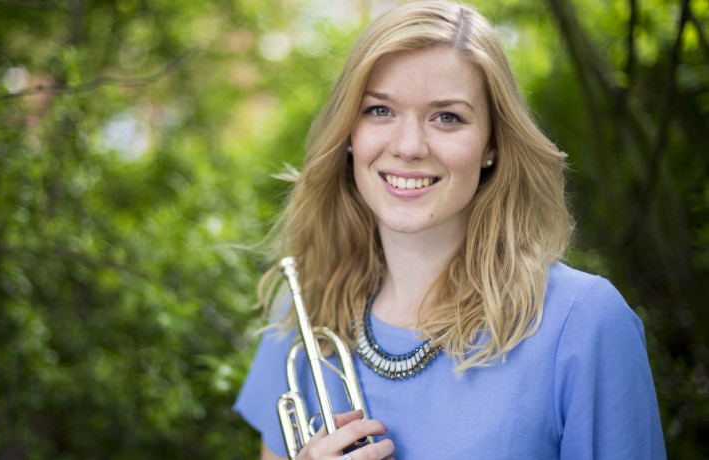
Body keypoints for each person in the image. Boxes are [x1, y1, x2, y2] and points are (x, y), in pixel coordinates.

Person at [234, 1, 666, 459]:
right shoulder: (304, 308)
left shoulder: (582, 323)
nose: (408, 146)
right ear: (348, 133)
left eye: (448, 117)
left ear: (492, 145)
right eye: (380, 110)